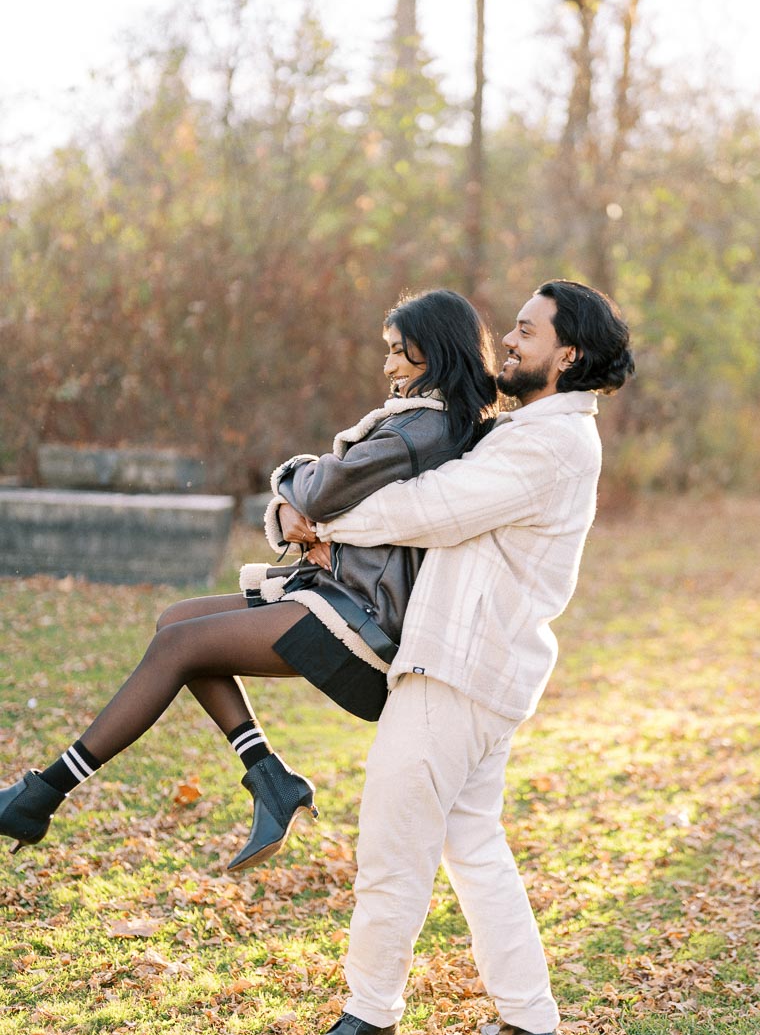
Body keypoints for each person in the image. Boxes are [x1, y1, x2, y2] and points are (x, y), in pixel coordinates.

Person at [0, 290, 497, 873]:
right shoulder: (420, 426)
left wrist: (290, 483)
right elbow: (327, 496)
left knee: (180, 646)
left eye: (398, 353)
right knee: (177, 622)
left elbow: (319, 490)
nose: (387, 367)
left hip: (362, 620)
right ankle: (270, 779)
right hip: (337, 591)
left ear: (433, 354)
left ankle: (43, 794)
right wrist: (295, 509)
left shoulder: (418, 431)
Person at [285, 279, 634, 1035]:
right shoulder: (539, 433)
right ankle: (529, 1019)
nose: (507, 341)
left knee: (392, 843)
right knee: (472, 844)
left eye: (524, 331)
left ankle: (368, 1018)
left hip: (461, 668)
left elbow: (427, 509)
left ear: (566, 354)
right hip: (482, 668)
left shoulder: (549, 443)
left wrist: (318, 518)